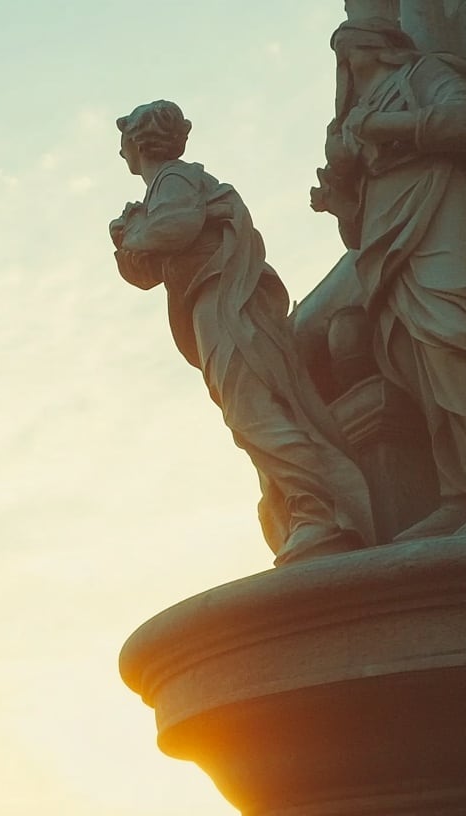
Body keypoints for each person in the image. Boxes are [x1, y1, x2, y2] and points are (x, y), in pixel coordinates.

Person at [311, 18, 466, 539]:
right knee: (416, 360)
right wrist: (340, 199)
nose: (344, 60)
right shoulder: (355, 116)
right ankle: (462, 493)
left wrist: (384, 126)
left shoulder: (421, 74)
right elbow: (358, 234)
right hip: (388, 239)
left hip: (439, 211)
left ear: (380, 45)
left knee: (461, 340)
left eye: (349, 46)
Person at [111, 100, 373, 564]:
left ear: (138, 142)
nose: (121, 153)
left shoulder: (174, 178)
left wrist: (133, 234)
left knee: (252, 412)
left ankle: (318, 512)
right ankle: (308, 511)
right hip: (209, 305)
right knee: (248, 413)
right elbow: (147, 272)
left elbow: (176, 228)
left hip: (224, 304)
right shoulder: (165, 189)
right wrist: (129, 238)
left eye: (123, 141)